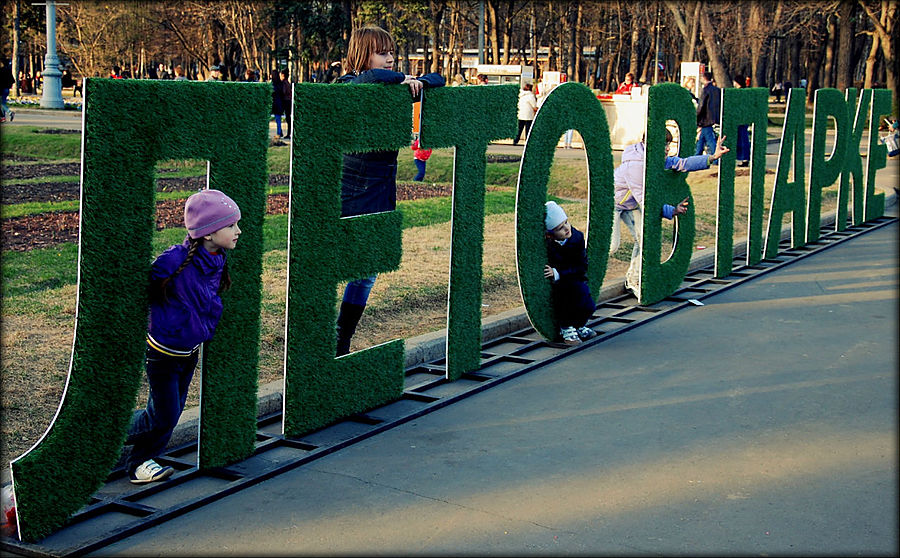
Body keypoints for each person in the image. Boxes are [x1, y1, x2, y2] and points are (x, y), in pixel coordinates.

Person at [333, 25, 445, 356]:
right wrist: (400, 80)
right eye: (383, 52)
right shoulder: (349, 83)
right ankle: (322, 336)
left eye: (392, 52)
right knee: (336, 263)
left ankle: (342, 338)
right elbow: (364, 81)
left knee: (367, 271)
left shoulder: (395, 84)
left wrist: (419, 81)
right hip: (351, 185)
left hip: (382, 185)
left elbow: (439, 79)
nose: (391, 58)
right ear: (362, 53)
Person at [124, 189, 242, 484]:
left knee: (170, 414)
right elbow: (142, 285)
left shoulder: (217, 259)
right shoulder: (174, 260)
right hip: (162, 352)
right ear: (207, 233)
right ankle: (102, 434)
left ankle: (141, 463)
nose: (238, 231)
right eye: (231, 225)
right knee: (163, 415)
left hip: (188, 352)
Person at [612, 130, 729, 297]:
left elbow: (682, 163)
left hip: (630, 204)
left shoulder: (657, 158)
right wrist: (671, 210)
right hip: (613, 203)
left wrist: (712, 157)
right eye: (663, 145)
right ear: (650, 144)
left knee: (644, 237)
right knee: (611, 246)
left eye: (668, 144)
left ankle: (633, 279)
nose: (667, 149)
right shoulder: (636, 165)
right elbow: (646, 200)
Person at [543, 201, 598, 346]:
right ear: (550, 235)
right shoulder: (548, 245)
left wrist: (558, 272)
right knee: (564, 300)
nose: (567, 228)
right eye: (560, 228)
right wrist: (555, 274)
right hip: (560, 283)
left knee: (588, 304)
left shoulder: (577, 237)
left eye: (566, 222)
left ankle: (579, 325)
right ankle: (567, 328)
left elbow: (581, 264)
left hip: (574, 276)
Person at [694, 71, 721, 158]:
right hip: (714, 117)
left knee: (709, 139)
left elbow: (701, 106)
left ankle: (716, 157)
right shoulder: (717, 90)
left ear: (704, 78)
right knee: (701, 138)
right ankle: (697, 155)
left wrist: (697, 117)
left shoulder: (705, 90)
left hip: (706, 118)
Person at [732, 74, 751, 167]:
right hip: (743, 119)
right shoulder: (746, 92)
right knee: (742, 139)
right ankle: (743, 157)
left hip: (740, 120)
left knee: (743, 139)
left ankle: (744, 158)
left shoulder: (739, 93)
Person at [270, 69, 286, 139]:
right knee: (278, 119)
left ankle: (279, 133)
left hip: (275, 103)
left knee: (277, 119)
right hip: (280, 103)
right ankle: (280, 132)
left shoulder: (272, 84)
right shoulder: (280, 83)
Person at [280, 69, 292, 139]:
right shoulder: (288, 82)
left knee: (287, 117)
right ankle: (288, 132)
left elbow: (284, 92)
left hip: (285, 101)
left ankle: (287, 133)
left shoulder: (284, 83)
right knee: (288, 117)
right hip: (288, 101)